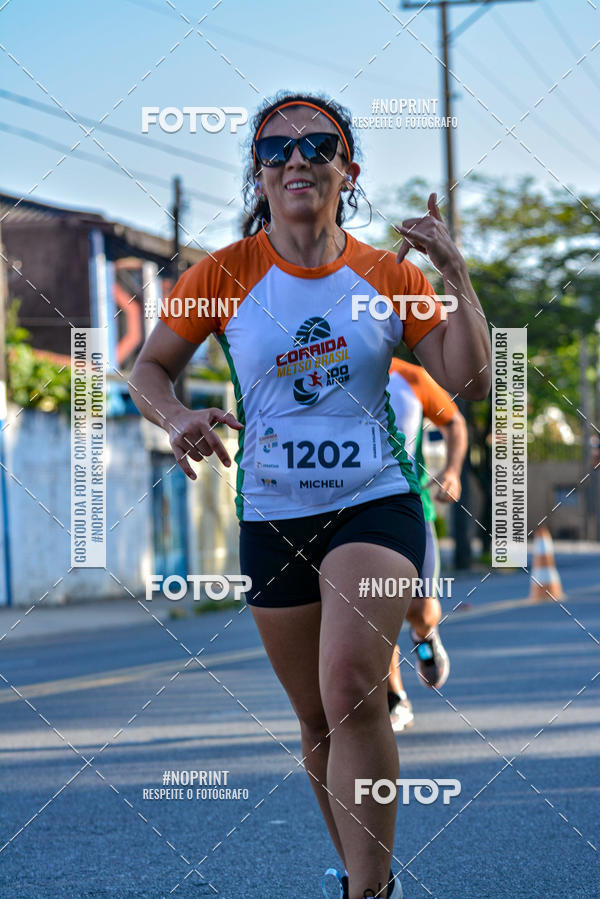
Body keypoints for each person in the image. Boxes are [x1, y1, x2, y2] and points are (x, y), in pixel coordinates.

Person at [129, 92, 491, 899]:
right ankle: (370, 876)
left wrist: (456, 275)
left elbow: (467, 378)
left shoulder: (389, 274)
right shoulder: (221, 274)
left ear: (347, 170)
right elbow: (148, 369)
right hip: (272, 512)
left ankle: (367, 894)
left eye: (318, 145)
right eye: (276, 149)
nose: (297, 159)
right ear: (258, 175)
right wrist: (178, 413)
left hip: (375, 500)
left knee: (351, 684)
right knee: (317, 719)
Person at [384, 359, 468, 733]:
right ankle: (394, 699)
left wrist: (451, 471)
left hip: (411, 507)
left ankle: (424, 638)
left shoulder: (410, 377)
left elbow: (453, 422)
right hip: (350, 515)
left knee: (419, 607)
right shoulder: (320, 369)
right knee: (373, 614)